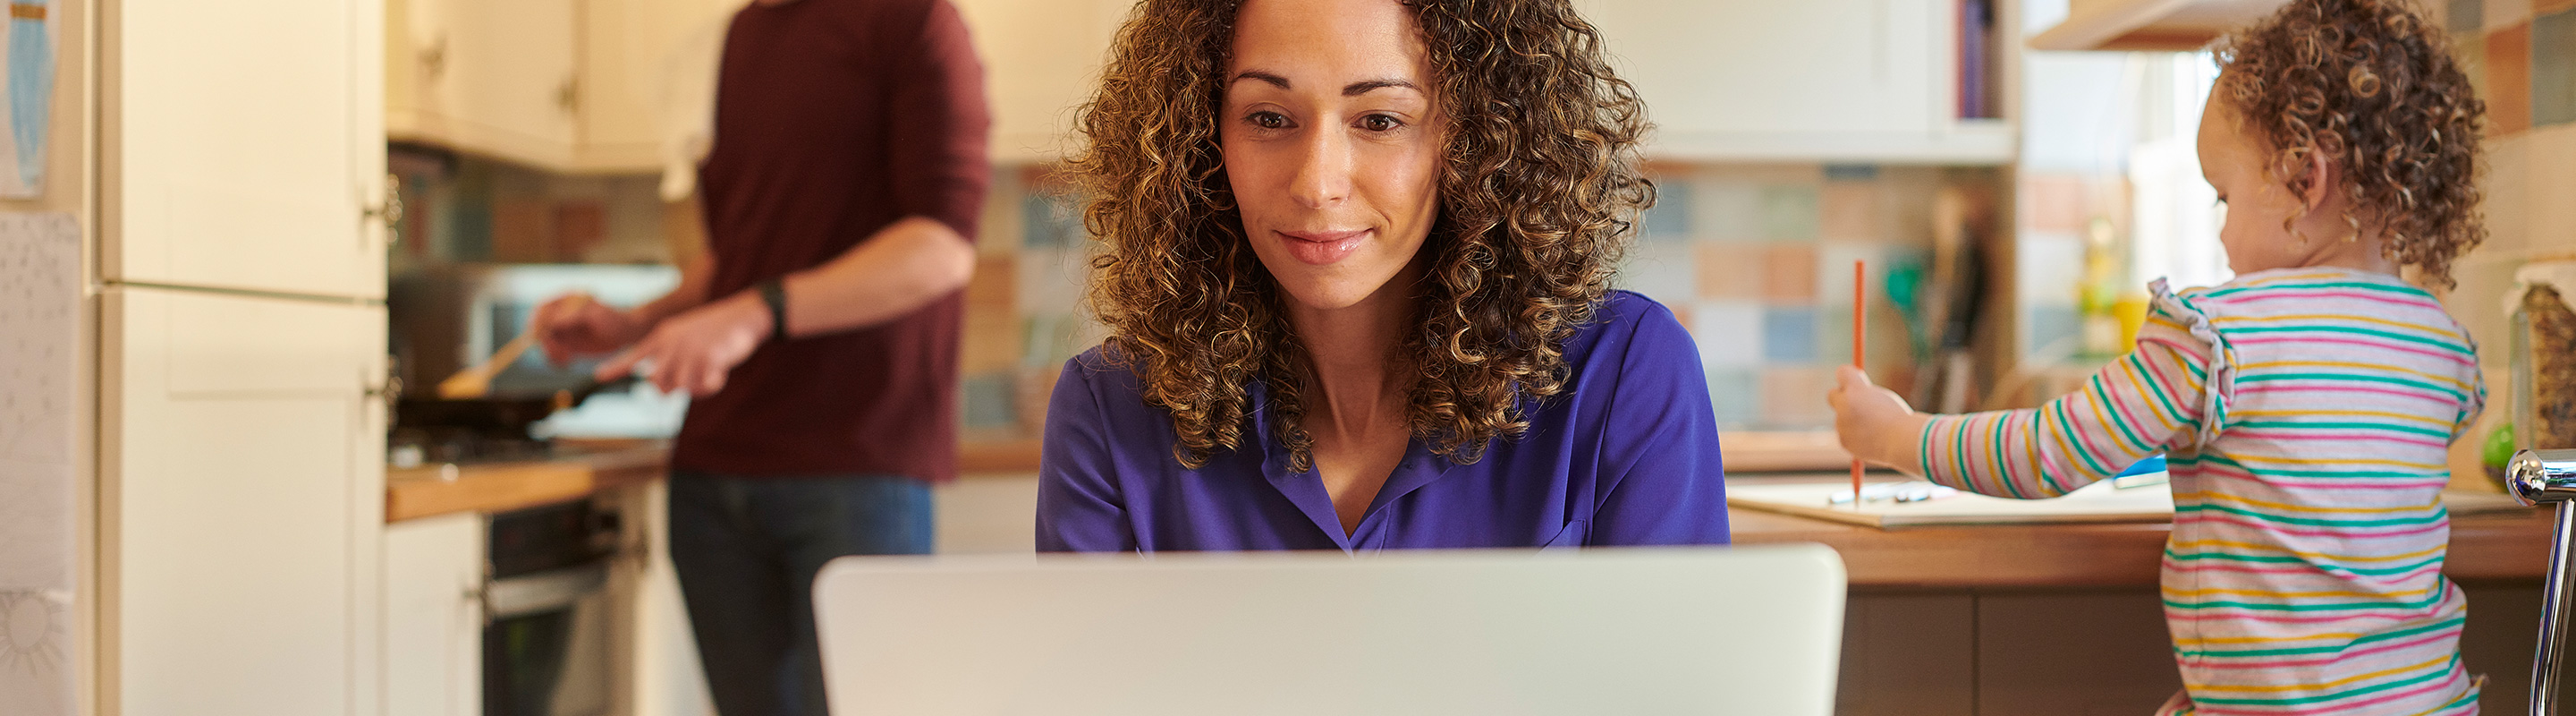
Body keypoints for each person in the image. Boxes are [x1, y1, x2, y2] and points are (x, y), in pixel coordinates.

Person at [1831, 1, 2485, 712]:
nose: (2222, 233)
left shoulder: (2218, 336)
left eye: (2223, 196)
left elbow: (2050, 452)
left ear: (2305, 180)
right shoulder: (2441, 344)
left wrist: (1898, 434)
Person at [1035, 0, 1728, 552]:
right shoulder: (1109, 412)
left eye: (1380, 119)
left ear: (1477, 139)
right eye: (1269, 117)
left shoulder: (1623, 372)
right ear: (1202, 139)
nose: (1317, 183)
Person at [530, 0, 989, 713]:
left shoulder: (915, 19)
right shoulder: (744, 34)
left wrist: (755, 313)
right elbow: (745, 250)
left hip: (855, 464)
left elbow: (940, 247)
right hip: (716, 472)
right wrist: (636, 321)